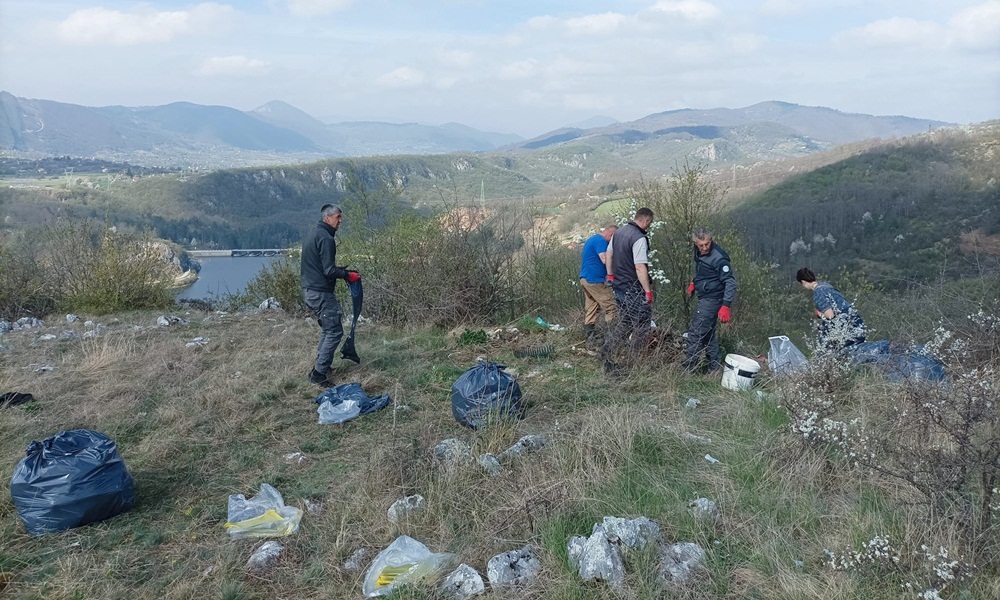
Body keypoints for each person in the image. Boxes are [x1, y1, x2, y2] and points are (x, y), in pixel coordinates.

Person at [300, 204, 361, 385]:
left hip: (309, 290)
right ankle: (318, 375)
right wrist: (347, 275)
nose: (341, 221)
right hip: (321, 293)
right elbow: (328, 271)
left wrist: (340, 270)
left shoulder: (313, 234)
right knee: (334, 331)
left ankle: (322, 366)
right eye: (338, 217)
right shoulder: (326, 239)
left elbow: (319, 266)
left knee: (328, 329)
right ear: (327, 218)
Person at [601, 208, 654, 374]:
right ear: (646, 221)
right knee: (641, 324)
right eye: (649, 224)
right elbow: (639, 266)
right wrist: (647, 291)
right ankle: (635, 362)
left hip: (618, 286)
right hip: (633, 288)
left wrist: (610, 275)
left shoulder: (619, 232)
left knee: (625, 322)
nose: (649, 227)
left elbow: (609, 254)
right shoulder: (638, 238)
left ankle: (606, 350)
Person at [683, 228, 735, 374]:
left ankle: (689, 369)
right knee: (708, 334)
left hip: (713, 299)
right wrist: (695, 282)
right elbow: (704, 272)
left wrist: (726, 305)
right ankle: (715, 368)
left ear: (711, 240)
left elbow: (730, 282)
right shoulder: (698, 252)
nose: (705, 248)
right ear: (695, 243)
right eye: (701, 245)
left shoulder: (719, 258)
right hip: (705, 296)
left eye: (707, 244)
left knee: (695, 332)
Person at [796, 267, 865, 350]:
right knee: (857, 350)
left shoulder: (818, 293)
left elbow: (830, 316)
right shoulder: (827, 286)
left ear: (803, 282)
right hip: (856, 323)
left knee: (828, 351)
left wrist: (819, 314)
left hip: (845, 327)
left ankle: (883, 348)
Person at [578, 224, 618, 347]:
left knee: (592, 308)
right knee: (611, 307)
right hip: (595, 280)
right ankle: (611, 339)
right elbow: (605, 259)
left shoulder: (593, 239)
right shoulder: (601, 241)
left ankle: (590, 340)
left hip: (585, 279)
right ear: (611, 235)